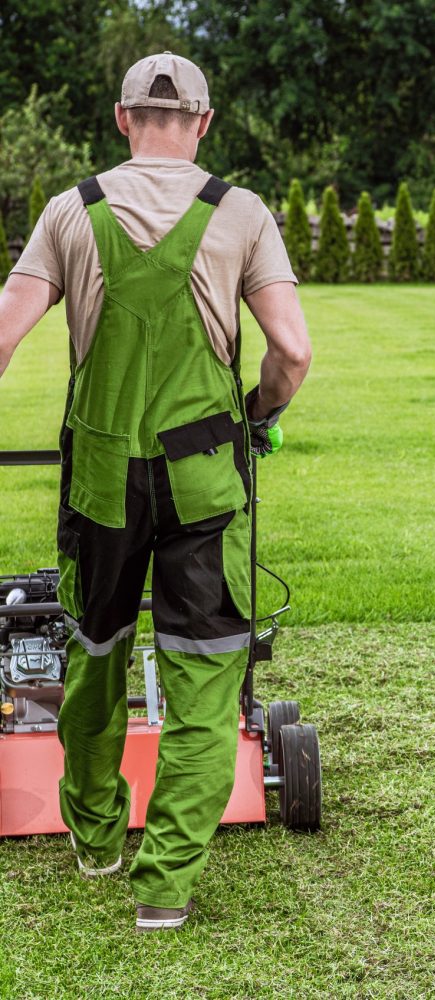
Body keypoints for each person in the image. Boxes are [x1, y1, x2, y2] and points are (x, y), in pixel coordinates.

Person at [0, 52, 311, 931]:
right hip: (207, 480)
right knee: (208, 676)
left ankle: (96, 838)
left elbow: (4, 331)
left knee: (95, 651)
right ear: (204, 123)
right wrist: (257, 413)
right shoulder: (242, 213)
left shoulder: (71, 210)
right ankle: (164, 886)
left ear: (121, 117)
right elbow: (293, 351)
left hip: (101, 481)